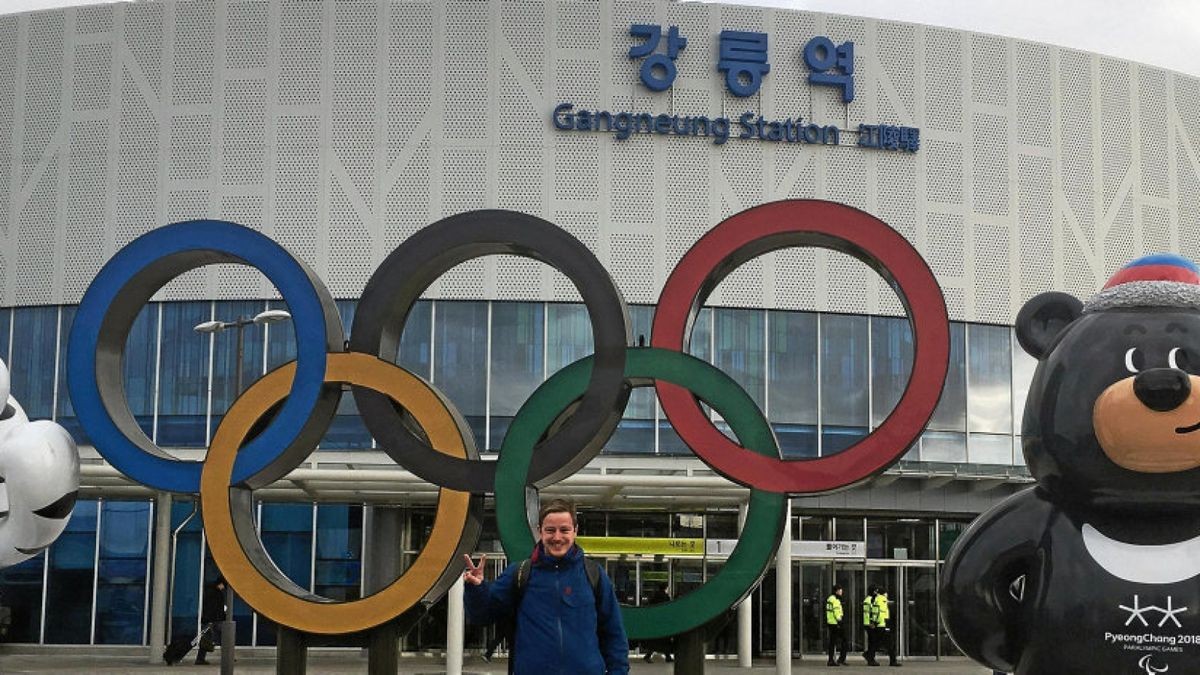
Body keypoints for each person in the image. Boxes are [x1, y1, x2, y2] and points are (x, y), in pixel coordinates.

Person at [463, 498, 629, 674]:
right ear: (540, 532)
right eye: (550, 530)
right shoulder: (519, 574)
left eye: (564, 530)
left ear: (575, 531)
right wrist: (477, 589)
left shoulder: (594, 574)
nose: (557, 537)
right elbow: (482, 616)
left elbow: (614, 633)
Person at [196, 577, 226, 666]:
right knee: (220, 638)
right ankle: (226, 656)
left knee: (207, 639)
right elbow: (212, 608)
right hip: (213, 620)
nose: (223, 587)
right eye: (223, 585)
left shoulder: (212, 592)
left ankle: (200, 658)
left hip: (213, 619)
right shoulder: (214, 593)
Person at [642, 584, 674, 663]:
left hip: (656, 621)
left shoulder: (654, 596)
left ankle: (650, 655)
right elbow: (668, 608)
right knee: (664, 640)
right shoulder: (665, 597)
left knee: (657, 641)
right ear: (665, 588)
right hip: (663, 621)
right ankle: (667, 656)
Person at [875, 589, 902, 667]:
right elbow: (883, 613)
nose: (887, 595)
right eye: (886, 593)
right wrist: (887, 625)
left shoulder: (876, 599)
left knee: (877, 642)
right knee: (890, 643)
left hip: (880, 624)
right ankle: (893, 661)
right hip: (883, 624)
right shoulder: (883, 600)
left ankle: (869, 654)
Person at [825, 584, 847, 666]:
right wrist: (840, 621)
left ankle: (831, 659)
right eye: (840, 590)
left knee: (832, 642)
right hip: (836, 623)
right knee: (844, 640)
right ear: (836, 591)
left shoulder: (830, 599)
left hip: (831, 622)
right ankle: (840, 659)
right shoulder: (836, 600)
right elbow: (837, 612)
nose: (841, 592)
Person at [862, 585, 880, 666]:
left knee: (873, 641)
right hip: (869, 624)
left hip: (869, 623)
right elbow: (867, 613)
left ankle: (869, 655)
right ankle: (870, 659)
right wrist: (871, 622)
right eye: (875, 591)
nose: (876, 593)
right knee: (873, 642)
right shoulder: (868, 600)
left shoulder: (870, 599)